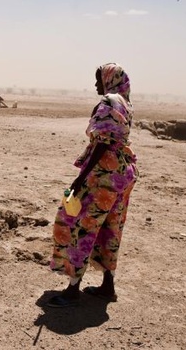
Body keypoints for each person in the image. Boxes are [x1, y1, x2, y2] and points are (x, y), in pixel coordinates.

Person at [48, 63, 138, 308]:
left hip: (104, 175)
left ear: (110, 79)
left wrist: (80, 179)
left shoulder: (109, 101)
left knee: (80, 226)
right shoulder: (125, 102)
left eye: (99, 79)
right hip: (123, 173)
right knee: (112, 228)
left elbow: (103, 143)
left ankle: (72, 290)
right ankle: (108, 286)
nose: (96, 85)